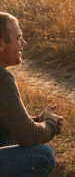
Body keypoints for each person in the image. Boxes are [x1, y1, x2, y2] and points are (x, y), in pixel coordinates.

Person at [0, 12, 64, 176]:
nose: (24, 43)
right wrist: (50, 124)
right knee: (43, 155)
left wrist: (37, 120)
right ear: (1, 44)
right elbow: (28, 136)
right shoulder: (2, 79)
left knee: (13, 134)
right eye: (18, 38)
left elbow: (14, 126)